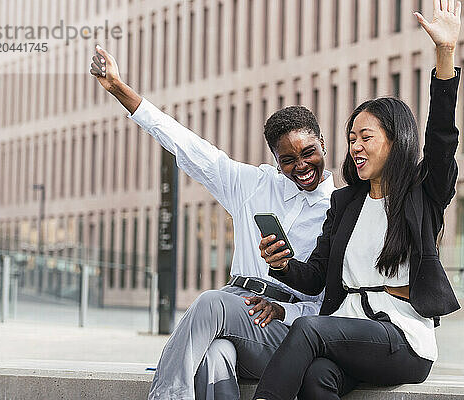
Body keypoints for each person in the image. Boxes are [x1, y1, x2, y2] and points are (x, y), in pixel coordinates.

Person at [89, 46, 335, 399]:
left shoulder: (337, 208)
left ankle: (166, 396)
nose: (301, 165)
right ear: (275, 159)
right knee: (218, 355)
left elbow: (330, 297)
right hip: (236, 311)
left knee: (209, 301)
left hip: (283, 329)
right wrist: (117, 88)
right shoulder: (253, 185)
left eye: (308, 152)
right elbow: (184, 144)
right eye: (288, 159)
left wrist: (285, 308)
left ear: (322, 143)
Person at [254, 2, 463, 399]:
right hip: (347, 329)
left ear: (395, 138)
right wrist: (282, 264)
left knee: (308, 328)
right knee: (317, 379)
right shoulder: (345, 202)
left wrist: (445, 55)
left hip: (402, 338)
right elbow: (315, 276)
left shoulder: (424, 193)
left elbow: (442, 138)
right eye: (351, 139)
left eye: (366, 137)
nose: (356, 147)